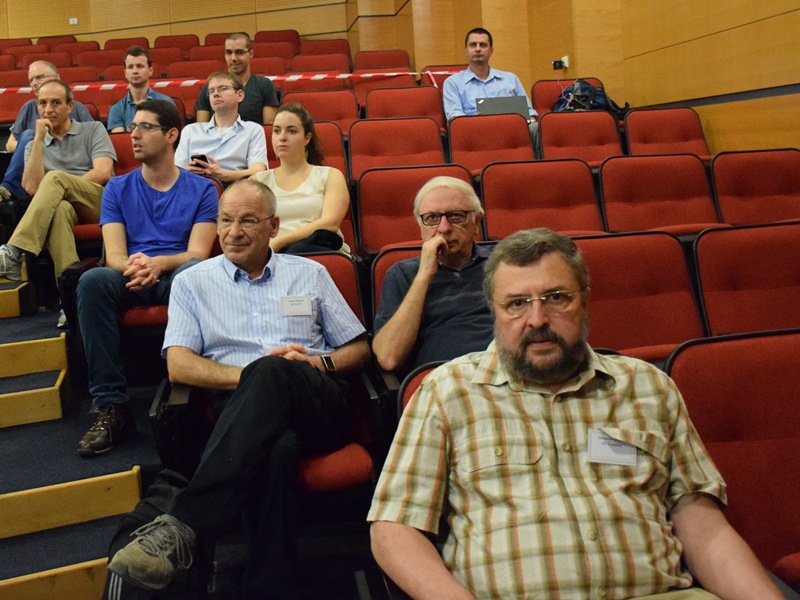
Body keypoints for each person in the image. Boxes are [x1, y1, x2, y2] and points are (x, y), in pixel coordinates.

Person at [369, 228, 787, 600]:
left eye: (556, 298)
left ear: (584, 300)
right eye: (516, 304)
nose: (537, 319)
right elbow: (394, 528)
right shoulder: (447, 392)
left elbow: (703, 528)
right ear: (493, 311)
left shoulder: (647, 386)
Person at [107, 179, 370, 598]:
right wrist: (253, 375)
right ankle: (270, 586)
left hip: (316, 401)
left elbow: (358, 348)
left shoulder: (311, 273)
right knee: (276, 448)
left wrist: (319, 363)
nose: (233, 231)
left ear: (273, 226)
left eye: (247, 220)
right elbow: (178, 365)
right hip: (241, 411)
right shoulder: (193, 282)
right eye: (225, 220)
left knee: (275, 372)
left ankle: (184, 524)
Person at [75, 100, 218, 457]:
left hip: (176, 276)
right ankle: (111, 405)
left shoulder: (202, 189)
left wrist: (159, 264)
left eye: (145, 127)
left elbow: (198, 253)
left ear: (171, 135)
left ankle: (199, 390)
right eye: (132, 127)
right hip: (131, 275)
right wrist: (140, 268)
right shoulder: (117, 188)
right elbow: (115, 255)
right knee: (92, 281)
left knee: (192, 275)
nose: (133, 135)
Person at [371, 176, 493, 373]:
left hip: (504, 367)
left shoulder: (504, 263)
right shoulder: (402, 274)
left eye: (456, 216)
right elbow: (388, 357)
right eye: (432, 218)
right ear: (420, 227)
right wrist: (425, 274)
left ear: (476, 222)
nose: (444, 228)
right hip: (443, 376)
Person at [0, 79, 115, 282]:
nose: (48, 110)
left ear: (69, 107)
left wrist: (62, 184)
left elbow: (103, 172)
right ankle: (68, 289)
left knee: (54, 178)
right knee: (60, 209)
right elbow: (32, 188)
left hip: (98, 202)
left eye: (56, 103)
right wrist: (38, 140)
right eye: (42, 103)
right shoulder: (33, 144)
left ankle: (15, 250)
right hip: (61, 205)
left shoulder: (93, 129)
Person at [251, 102, 350, 254]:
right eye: (277, 131)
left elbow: (330, 223)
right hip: (273, 254)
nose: (282, 137)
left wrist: (279, 242)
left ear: (307, 138)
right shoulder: (257, 181)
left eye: (291, 131)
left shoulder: (331, 175)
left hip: (318, 252)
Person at [0, 61, 93, 203]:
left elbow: (90, 140)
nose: (34, 83)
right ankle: (8, 189)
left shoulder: (78, 108)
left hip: (68, 170)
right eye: (31, 80)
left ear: (56, 77)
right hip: (36, 170)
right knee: (29, 135)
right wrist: (36, 144)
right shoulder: (29, 107)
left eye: (39, 77)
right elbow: (10, 144)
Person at [174, 71, 267, 185]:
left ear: (240, 95)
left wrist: (222, 175)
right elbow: (174, 172)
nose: (215, 94)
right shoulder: (190, 131)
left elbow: (258, 172)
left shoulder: (253, 130)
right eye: (211, 91)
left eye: (223, 88)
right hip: (195, 188)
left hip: (236, 189)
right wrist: (187, 173)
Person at [442, 27, 536, 122]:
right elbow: (455, 119)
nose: (478, 49)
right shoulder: (453, 83)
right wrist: (473, 121)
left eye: (483, 45)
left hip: (511, 127)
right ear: (466, 51)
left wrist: (531, 120)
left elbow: (529, 112)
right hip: (474, 128)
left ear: (491, 51)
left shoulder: (511, 79)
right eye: (473, 45)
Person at [194, 32, 279, 126]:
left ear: (251, 54)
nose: (233, 58)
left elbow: (268, 127)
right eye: (229, 52)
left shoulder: (264, 85)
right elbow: (201, 129)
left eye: (239, 52)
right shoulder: (211, 87)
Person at [107, 46, 175, 133]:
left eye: (140, 66)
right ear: (125, 73)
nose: (135, 71)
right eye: (130, 67)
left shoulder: (166, 103)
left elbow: (170, 137)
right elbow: (121, 140)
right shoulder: (116, 110)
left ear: (150, 71)